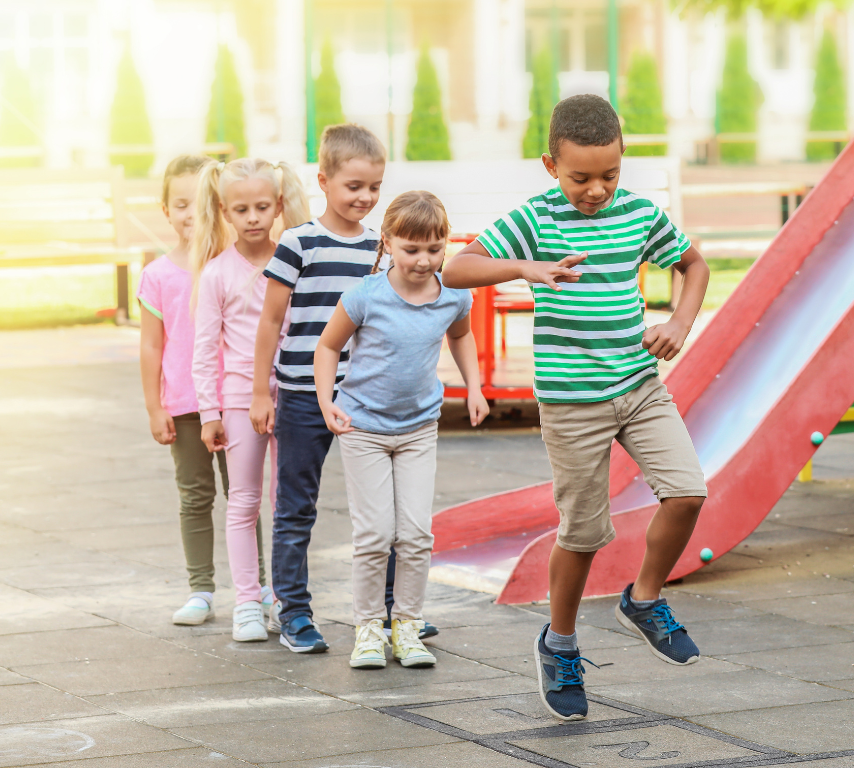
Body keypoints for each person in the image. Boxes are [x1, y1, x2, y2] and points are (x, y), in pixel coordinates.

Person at [442, 94, 712, 721]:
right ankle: (559, 641)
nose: (596, 190)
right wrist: (527, 268)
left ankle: (644, 599)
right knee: (584, 532)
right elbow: (458, 269)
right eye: (580, 177)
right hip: (572, 402)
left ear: (624, 163)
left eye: (609, 175)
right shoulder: (536, 218)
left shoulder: (641, 215)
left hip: (639, 384)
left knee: (688, 492)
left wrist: (680, 321)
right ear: (550, 165)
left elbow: (693, 265)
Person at [314, 191, 487, 670]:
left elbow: (461, 335)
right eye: (411, 250)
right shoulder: (366, 295)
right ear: (387, 243)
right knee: (373, 533)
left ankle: (407, 627)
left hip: (417, 429)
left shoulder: (453, 295)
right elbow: (328, 347)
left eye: (435, 249)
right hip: (363, 426)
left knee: (415, 533)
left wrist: (474, 387)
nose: (424, 260)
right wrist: (327, 402)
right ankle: (368, 629)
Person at [249, 124, 403, 653]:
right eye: (354, 186)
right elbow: (270, 323)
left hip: (364, 398)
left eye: (375, 188)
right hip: (299, 394)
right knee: (296, 507)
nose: (365, 198)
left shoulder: (381, 250)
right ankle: (292, 611)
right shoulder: (298, 243)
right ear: (324, 181)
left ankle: (390, 613)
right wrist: (259, 391)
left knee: (382, 511)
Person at [138, 154, 272, 626]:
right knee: (195, 497)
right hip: (186, 405)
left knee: (244, 494)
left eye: (199, 203)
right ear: (165, 210)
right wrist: (155, 407)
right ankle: (200, 588)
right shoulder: (157, 275)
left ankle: (254, 589)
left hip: (235, 399)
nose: (190, 214)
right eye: (180, 204)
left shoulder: (234, 266)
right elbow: (152, 347)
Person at [191, 157, 310, 642]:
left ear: (279, 205)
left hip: (297, 394)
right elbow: (203, 349)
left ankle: (288, 600)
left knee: (289, 504)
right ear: (224, 211)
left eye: (263, 206)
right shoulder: (216, 273)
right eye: (242, 209)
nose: (254, 217)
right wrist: (208, 413)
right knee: (243, 502)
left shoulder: (296, 260)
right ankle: (246, 601)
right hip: (240, 400)